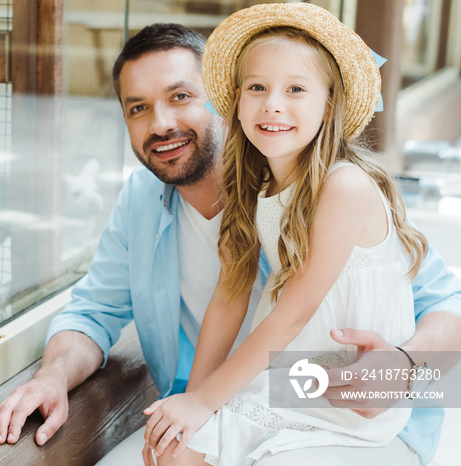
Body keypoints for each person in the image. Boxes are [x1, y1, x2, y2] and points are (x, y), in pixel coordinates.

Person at [0, 19, 461, 466]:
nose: (161, 123)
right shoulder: (153, 201)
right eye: (138, 108)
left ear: (216, 99)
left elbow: (447, 304)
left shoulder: (338, 189)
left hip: (349, 403)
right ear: (240, 97)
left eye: (181, 96)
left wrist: (400, 369)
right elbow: (95, 311)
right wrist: (53, 377)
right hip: (245, 393)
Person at [142, 4, 451, 465]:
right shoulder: (254, 186)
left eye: (297, 89)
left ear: (330, 104)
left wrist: (205, 403)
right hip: (290, 374)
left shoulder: (344, 186)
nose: (273, 104)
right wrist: (194, 402)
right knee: (170, 452)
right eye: (257, 87)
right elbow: (229, 296)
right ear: (237, 103)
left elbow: (294, 311)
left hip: (350, 384)